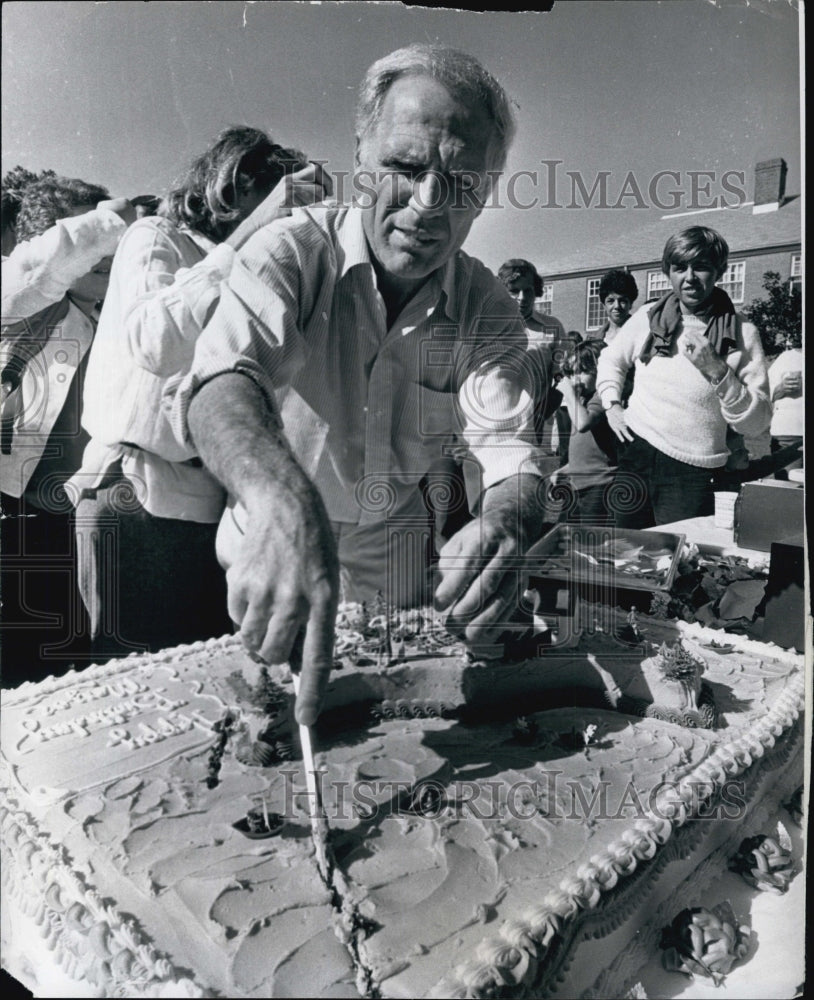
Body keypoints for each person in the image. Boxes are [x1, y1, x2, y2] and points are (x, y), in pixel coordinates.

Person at [169, 44, 548, 725]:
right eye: (404, 168)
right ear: (361, 157)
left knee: (392, 734)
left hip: (394, 555)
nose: (429, 205)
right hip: (271, 535)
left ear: (488, 191)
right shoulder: (289, 252)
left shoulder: (488, 309)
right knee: (268, 732)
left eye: (461, 183)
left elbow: (509, 453)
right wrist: (279, 496)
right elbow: (221, 383)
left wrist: (506, 522)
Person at [73, 126, 330, 659]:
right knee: (135, 694)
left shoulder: (269, 266)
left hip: (216, 510)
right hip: (136, 501)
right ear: (232, 186)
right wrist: (252, 236)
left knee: (211, 687)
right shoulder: (155, 237)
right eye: (277, 204)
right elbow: (155, 340)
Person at [1, 176, 135, 682]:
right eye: (93, 240)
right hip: (6, 511)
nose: (106, 252)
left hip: (67, 525)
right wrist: (113, 217)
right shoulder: (16, 296)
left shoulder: (118, 318)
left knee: (63, 663)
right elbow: (43, 265)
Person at [597, 226, 771, 528]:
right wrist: (612, 405)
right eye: (679, 268)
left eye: (701, 267)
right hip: (637, 454)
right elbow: (611, 360)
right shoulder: (649, 316)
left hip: (693, 471)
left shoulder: (743, 333)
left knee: (682, 561)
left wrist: (718, 371)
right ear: (669, 272)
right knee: (623, 553)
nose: (689, 277)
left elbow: (757, 423)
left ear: (719, 271)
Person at [550, 340, 617, 524]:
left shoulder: (601, 395)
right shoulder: (581, 400)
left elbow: (583, 424)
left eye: (583, 371)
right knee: (570, 537)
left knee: (593, 541)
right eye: (571, 373)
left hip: (599, 484)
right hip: (579, 483)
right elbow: (585, 451)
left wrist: (570, 395)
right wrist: (565, 469)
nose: (575, 379)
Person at [767, 330, 803, 478]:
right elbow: (764, 395)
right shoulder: (786, 358)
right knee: (788, 488)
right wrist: (781, 388)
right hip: (790, 434)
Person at [593, 268, 639, 345]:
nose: (617, 306)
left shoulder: (641, 333)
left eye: (622, 301)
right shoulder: (595, 339)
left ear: (630, 304)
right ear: (604, 305)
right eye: (611, 301)